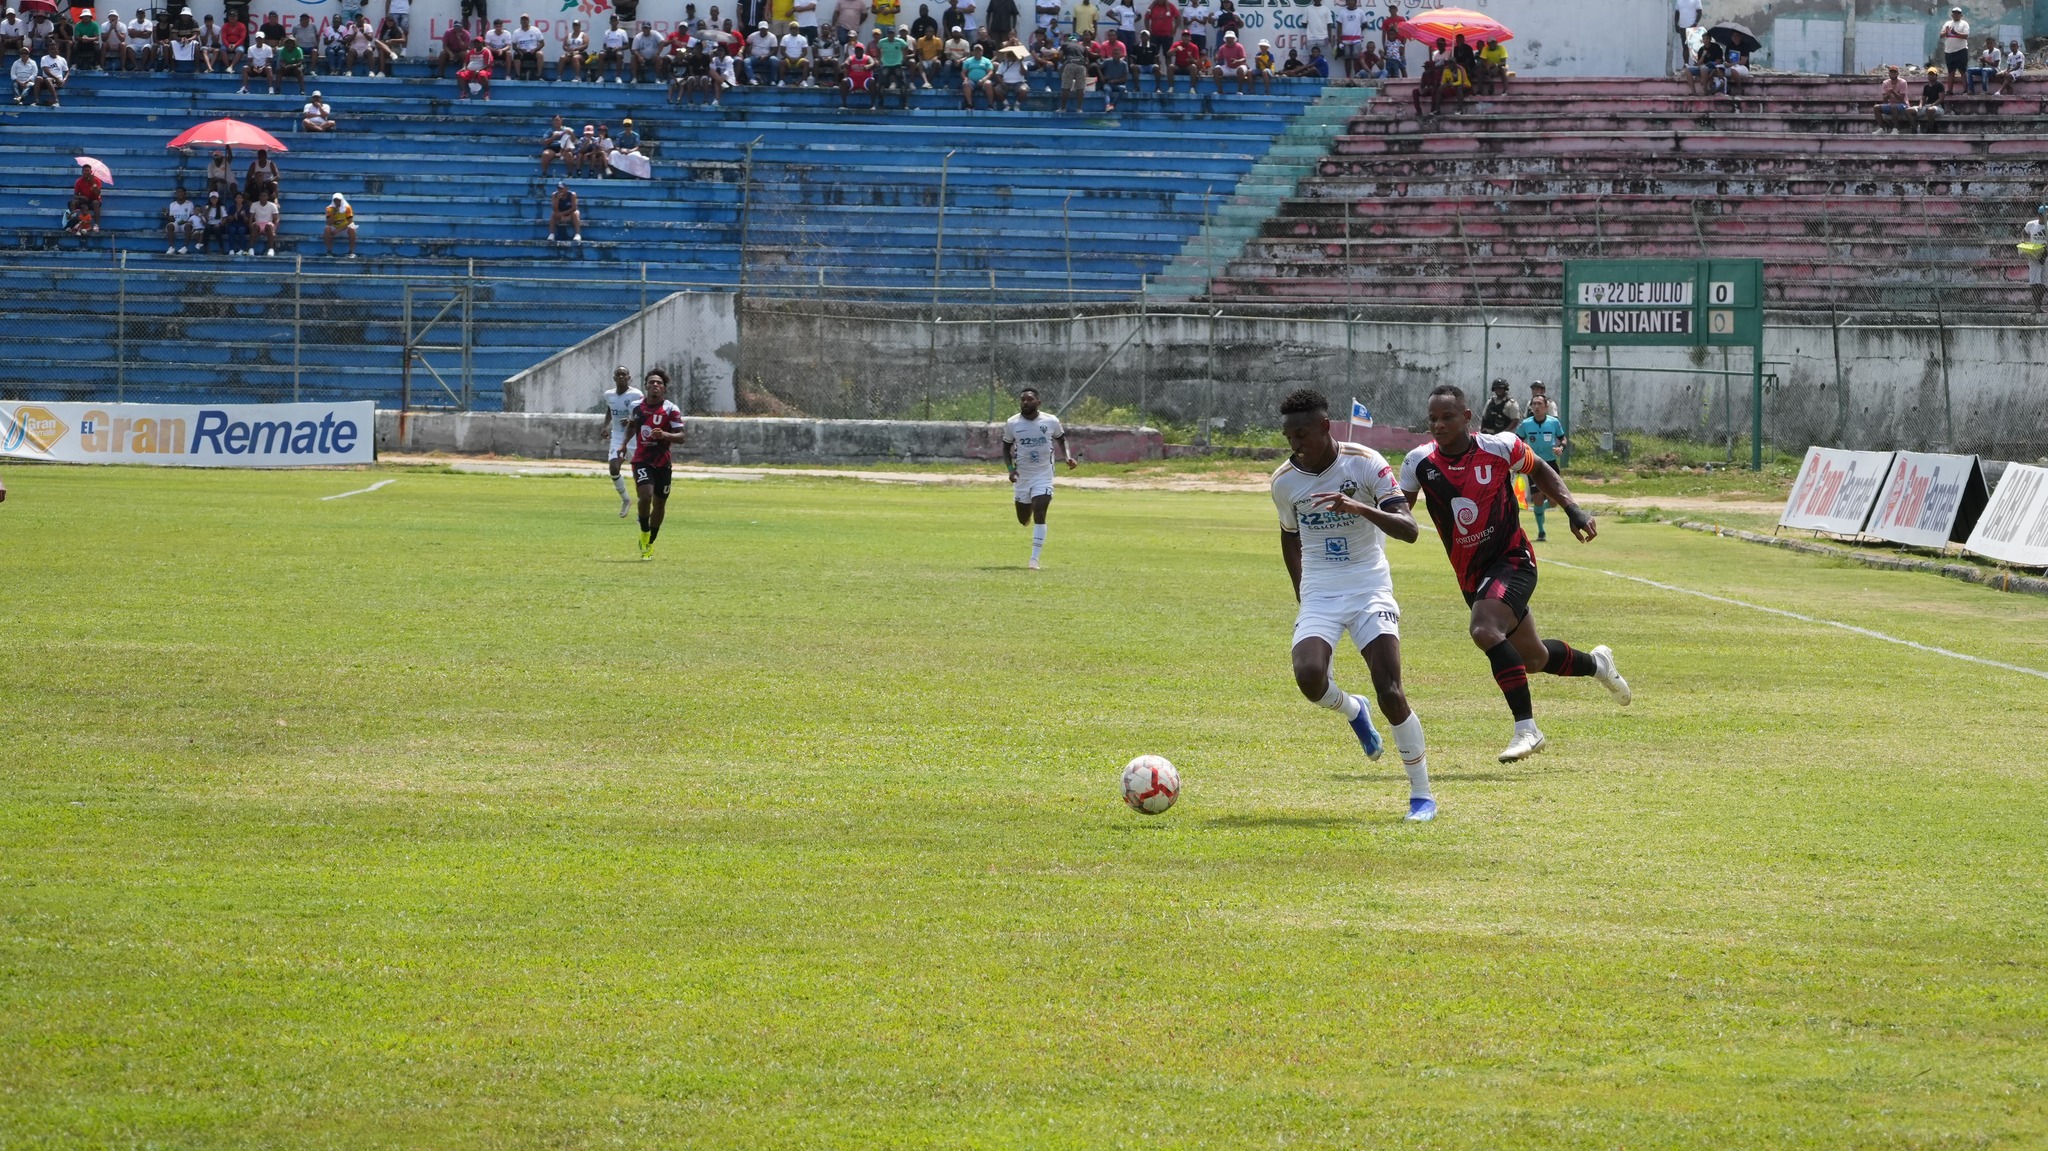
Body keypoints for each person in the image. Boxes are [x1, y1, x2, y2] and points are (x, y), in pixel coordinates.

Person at [1399, 384, 1630, 763]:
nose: (1438, 426)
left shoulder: (1500, 446)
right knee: (1533, 659)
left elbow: (1539, 469)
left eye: (1447, 417)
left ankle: (1527, 729)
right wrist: (1365, 513)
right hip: (1471, 574)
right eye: (1433, 419)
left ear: (1467, 417)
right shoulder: (1418, 463)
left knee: (1484, 630)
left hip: (1513, 559)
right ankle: (1597, 664)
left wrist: (1573, 509)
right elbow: (1400, 513)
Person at [1271, 389, 1435, 822]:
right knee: (1309, 677)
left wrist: (1357, 507)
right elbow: (1289, 536)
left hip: (1368, 587)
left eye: (1302, 434)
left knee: (1391, 691)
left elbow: (1410, 530)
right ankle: (1351, 709)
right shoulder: (1284, 481)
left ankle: (1421, 795)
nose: (1295, 445)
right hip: (1322, 590)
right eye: (1289, 436)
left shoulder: (1364, 462)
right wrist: (1303, 591)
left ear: (1326, 427)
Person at [1000, 388, 1075, 568]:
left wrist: (1067, 456)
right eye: (1022, 400)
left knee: (1040, 511)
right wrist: (1010, 469)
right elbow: (1005, 448)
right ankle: (1028, 507)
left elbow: (1061, 439)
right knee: (1023, 518)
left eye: (1029, 399)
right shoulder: (1012, 423)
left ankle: (1034, 559)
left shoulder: (1050, 421)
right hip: (1023, 477)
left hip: (1044, 475)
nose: (1025, 402)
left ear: (1038, 402)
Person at [625, 370, 686, 559]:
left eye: (659, 383)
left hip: (662, 463)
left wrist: (665, 435)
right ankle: (644, 531)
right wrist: (622, 445)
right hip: (642, 459)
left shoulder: (671, 409)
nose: (655, 385)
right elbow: (632, 425)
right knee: (645, 496)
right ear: (646, 386)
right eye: (652, 382)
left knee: (659, 504)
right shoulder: (636, 407)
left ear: (664, 388)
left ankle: (650, 541)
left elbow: (681, 437)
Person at [1515, 393, 1566, 541]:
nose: (1536, 407)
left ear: (1546, 407)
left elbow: (1562, 438)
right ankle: (1541, 531)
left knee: (1553, 501)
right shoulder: (1526, 424)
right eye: (1534, 404)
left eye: (1539, 404)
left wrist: (1561, 447)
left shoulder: (1553, 422)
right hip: (1533, 464)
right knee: (1537, 497)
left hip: (1550, 464)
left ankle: (1541, 510)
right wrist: (1520, 456)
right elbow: (1518, 441)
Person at [601, 366, 643, 516]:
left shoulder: (636, 394)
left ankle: (643, 510)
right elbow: (610, 410)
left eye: (623, 374)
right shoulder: (609, 395)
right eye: (618, 375)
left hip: (634, 437)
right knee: (613, 467)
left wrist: (633, 422)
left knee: (640, 474)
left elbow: (643, 413)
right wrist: (605, 426)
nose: (621, 377)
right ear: (614, 378)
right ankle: (626, 500)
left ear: (629, 377)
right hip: (618, 436)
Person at [2022, 204, 2047, 314]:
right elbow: (2023, 232)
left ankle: (2039, 305)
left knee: (2044, 282)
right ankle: (2036, 306)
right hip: (2034, 256)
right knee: (2035, 282)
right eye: (2044, 215)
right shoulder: (2031, 225)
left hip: (2046, 257)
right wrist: (2023, 241)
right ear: (2039, 215)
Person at [1330, 0, 1364, 80]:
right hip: (1345, 40)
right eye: (1348, 0)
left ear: (1355, 2)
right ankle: (1348, 76)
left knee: (1356, 59)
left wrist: (1358, 31)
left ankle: (1356, 76)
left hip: (1356, 40)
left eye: (1352, 0)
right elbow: (1339, 26)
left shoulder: (1360, 12)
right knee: (1347, 59)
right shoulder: (1342, 12)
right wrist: (1339, 40)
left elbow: (1365, 23)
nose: (1350, 2)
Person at [1873, 64, 1910, 133]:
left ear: (1897, 73)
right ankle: (1882, 128)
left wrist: (1893, 92)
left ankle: (1895, 128)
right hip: (1891, 104)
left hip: (1903, 105)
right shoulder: (1885, 83)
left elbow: (1901, 98)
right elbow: (1884, 99)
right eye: (1891, 72)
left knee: (1894, 106)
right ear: (1889, 73)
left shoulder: (1903, 82)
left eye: (1894, 72)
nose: (1893, 74)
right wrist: (1888, 94)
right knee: (1876, 107)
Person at [1164, 26, 1201, 93]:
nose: (1185, 38)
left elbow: (1198, 63)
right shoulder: (1177, 44)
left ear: (1190, 38)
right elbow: (1168, 54)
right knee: (1170, 67)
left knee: (1193, 67)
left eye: (1187, 36)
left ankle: (1192, 88)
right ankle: (1171, 87)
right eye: (1184, 36)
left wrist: (1192, 60)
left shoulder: (1194, 47)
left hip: (1187, 68)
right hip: (1178, 67)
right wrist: (1176, 49)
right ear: (1181, 37)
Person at [509, 13, 545, 80]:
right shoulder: (516, 32)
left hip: (533, 52)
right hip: (523, 52)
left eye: (526, 20)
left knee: (540, 54)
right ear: (520, 21)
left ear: (529, 21)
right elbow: (514, 46)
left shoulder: (535, 30)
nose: (524, 21)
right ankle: (519, 75)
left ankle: (539, 75)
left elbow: (542, 43)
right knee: (516, 54)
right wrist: (521, 49)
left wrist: (535, 49)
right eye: (522, 20)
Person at [1938, 7, 1968, 84]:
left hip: (1961, 50)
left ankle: (1965, 90)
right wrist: (1946, 33)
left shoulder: (1964, 24)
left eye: (1958, 13)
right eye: (1954, 13)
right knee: (1951, 71)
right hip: (1949, 51)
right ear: (1952, 15)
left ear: (1961, 15)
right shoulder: (1947, 24)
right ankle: (1950, 90)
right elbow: (1941, 35)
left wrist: (1955, 33)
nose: (1956, 15)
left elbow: (1966, 36)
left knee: (1962, 71)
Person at [164, 189, 200, 253]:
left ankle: (185, 247)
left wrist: (184, 222)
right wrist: (166, 214)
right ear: (176, 194)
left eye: (182, 192)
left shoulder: (190, 204)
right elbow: (172, 219)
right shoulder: (172, 204)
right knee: (169, 226)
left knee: (188, 226)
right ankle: (171, 247)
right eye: (179, 192)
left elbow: (192, 216)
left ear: (185, 194)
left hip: (186, 223)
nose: (180, 193)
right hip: (177, 223)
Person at [1210, 28, 1245, 94]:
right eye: (1227, 38)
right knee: (1215, 70)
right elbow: (1219, 58)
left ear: (1234, 38)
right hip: (1228, 67)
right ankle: (1220, 90)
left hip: (1238, 67)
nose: (1229, 39)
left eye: (1230, 38)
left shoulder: (1239, 46)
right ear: (1225, 39)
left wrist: (1237, 61)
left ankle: (1239, 91)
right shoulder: (1222, 48)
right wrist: (1216, 58)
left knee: (1241, 70)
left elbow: (1244, 59)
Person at [959, 39, 993, 106]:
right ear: (973, 52)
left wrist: (983, 79)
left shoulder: (987, 61)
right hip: (971, 81)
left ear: (982, 52)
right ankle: (969, 104)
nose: (977, 52)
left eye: (979, 50)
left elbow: (990, 72)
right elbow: (963, 72)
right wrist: (965, 78)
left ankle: (990, 104)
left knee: (988, 83)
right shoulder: (968, 61)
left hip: (983, 81)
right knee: (965, 84)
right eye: (976, 50)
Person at [323, 192, 358, 257]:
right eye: (335, 200)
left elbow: (350, 221)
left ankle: (351, 252)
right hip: (334, 228)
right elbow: (328, 223)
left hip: (344, 228)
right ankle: (329, 251)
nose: (337, 202)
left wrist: (338, 230)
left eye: (338, 200)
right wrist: (333, 213)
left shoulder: (347, 207)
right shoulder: (329, 209)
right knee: (327, 229)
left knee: (352, 228)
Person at [839, 39, 873, 105]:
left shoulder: (867, 57)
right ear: (854, 51)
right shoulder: (851, 58)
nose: (858, 51)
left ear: (863, 51)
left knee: (872, 81)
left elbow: (873, 63)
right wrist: (845, 64)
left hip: (865, 81)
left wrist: (869, 65)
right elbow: (843, 65)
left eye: (860, 49)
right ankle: (844, 104)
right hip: (853, 81)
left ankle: (872, 104)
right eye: (857, 49)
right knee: (844, 81)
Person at [1914, 65, 1945, 133]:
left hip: (1938, 106)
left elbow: (1941, 98)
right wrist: (1920, 105)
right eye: (1929, 74)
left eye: (1932, 74)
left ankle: (1931, 128)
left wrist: (1933, 104)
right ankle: (1914, 128)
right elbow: (1923, 98)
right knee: (1910, 111)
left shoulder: (1940, 85)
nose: (1931, 76)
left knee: (1930, 110)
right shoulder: (1926, 86)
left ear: (1936, 76)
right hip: (1928, 105)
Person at [248, 189, 279, 255]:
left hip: (268, 224)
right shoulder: (254, 205)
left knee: (268, 226)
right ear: (259, 197)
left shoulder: (272, 205)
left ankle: (271, 249)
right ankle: (251, 249)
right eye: (261, 196)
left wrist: (274, 230)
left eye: (265, 196)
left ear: (268, 197)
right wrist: (251, 229)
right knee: (255, 226)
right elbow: (250, 219)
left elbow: (276, 220)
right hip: (258, 224)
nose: (263, 197)